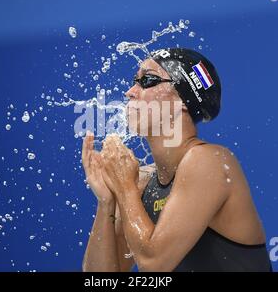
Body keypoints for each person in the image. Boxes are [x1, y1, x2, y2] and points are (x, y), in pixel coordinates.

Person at [82, 48, 272, 272]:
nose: (130, 92)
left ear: (181, 100)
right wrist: (107, 203)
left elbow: (155, 264)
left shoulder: (209, 161)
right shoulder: (142, 181)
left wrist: (124, 188)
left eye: (147, 80)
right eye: (135, 81)